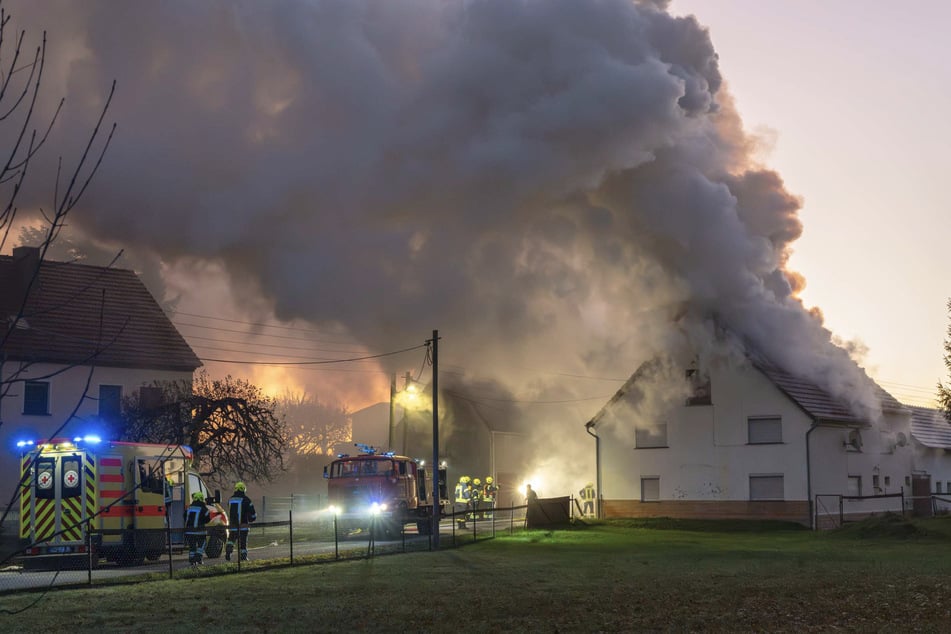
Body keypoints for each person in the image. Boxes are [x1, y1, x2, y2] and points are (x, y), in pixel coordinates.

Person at [226, 481, 257, 562]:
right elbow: (252, 513)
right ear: (244, 489)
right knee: (243, 542)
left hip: (232, 525)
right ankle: (243, 557)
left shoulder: (230, 499)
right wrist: (252, 518)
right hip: (243, 525)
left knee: (231, 539)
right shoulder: (246, 500)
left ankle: (228, 549)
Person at [184, 491, 211, 566]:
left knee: (192, 547)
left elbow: (184, 517)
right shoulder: (204, 508)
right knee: (202, 544)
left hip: (189, 532)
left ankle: (192, 561)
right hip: (200, 531)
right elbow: (208, 519)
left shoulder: (189, 508)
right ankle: (198, 557)